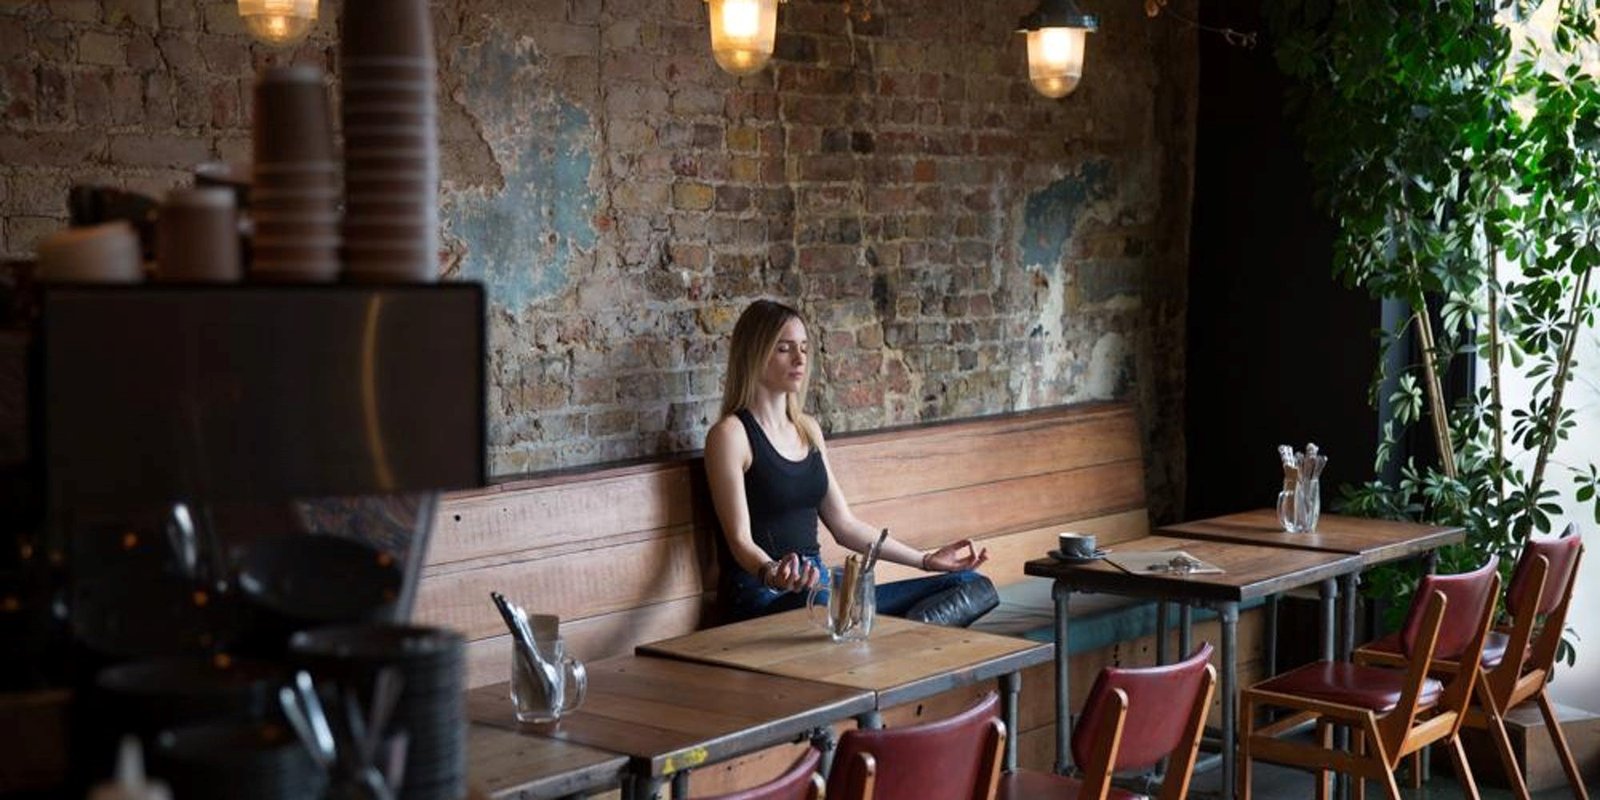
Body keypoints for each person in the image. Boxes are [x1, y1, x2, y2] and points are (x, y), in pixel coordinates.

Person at [704, 299, 998, 625]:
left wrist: (925, 560)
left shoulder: (807, 429)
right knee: (827, 604)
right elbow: (739, 541)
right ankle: (874, 639)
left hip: (821, 590)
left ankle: (885, 643)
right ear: (755, 355)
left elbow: (845, 526)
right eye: (785, 349)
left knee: (971, 585)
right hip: (762, 596)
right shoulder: (730, 435)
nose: (800, 359)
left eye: (803, 348)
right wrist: (773, 573)